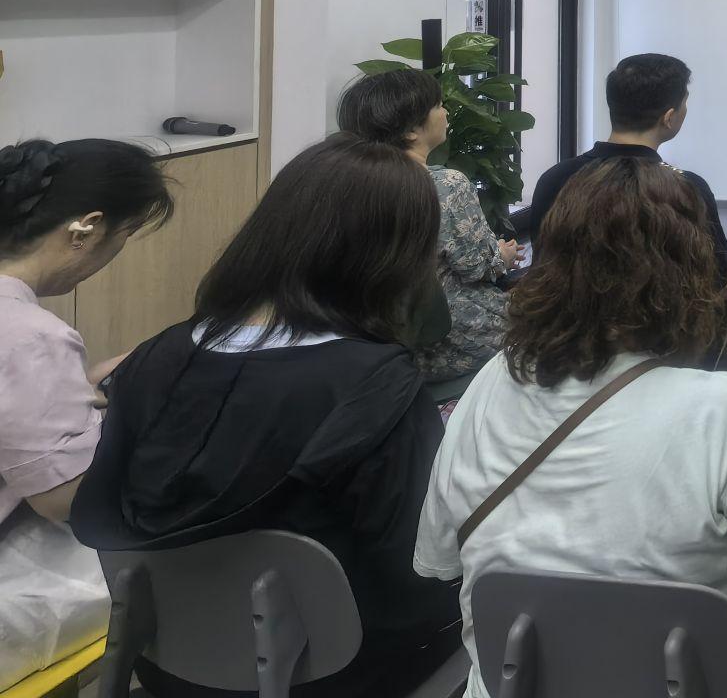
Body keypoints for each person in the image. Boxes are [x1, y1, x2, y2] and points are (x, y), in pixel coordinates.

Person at [416, 159, 727, 698]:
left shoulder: (492, 381)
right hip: (685, 683)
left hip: (518, 684)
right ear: (688, 273)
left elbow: (440, 558)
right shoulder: (723, 410)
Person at [70, 136, 461, 698]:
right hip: (330, 673)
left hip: (168, 664)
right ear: (393, 258)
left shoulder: (153, 359)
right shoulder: (377, 388)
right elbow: (415, 568)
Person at [0, 139, 172, 690]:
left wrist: (79, 387)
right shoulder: (31, 337)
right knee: (172, 572)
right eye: (124, 236)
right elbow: (65, 501)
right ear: (87, 228)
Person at [337, 68, 517, 383]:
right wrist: (503, 256)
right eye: (438, 105)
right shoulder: (445, 185)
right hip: (455, 338)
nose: (445, 113)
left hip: (378, 344)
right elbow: (478, 267)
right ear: (411, 131)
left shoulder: (348, 187)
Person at [517, 52, 727, 282]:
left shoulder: (555, 179)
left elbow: (543, 266)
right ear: (669, 118)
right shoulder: (688, 188)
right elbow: (716, 279)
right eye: (685, 103)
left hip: (564, 307)